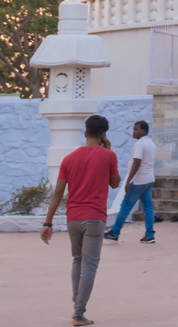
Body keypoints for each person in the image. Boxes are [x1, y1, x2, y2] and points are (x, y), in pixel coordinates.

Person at [40, 113, 121, 327]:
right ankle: (79, 313)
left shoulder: (68, 159)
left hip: (73, 218)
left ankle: (78, 307)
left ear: (85, 133)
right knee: (90, 265)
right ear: (104, 135)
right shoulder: (109, 155)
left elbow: (58, 192)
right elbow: (115, 184)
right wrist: (108, 150)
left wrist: (47, 223)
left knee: (77, 260)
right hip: (95, 218)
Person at [105, 119, 156, 244]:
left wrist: (128, 180)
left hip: (138, 181)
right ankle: (150, 234)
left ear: (143, 131)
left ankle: (114, 233)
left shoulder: (140, 144)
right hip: (148, 179)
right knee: (148, 208)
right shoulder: (151, 143)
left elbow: (137, 162)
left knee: (125, 207)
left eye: (136, 130)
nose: (133, 132)